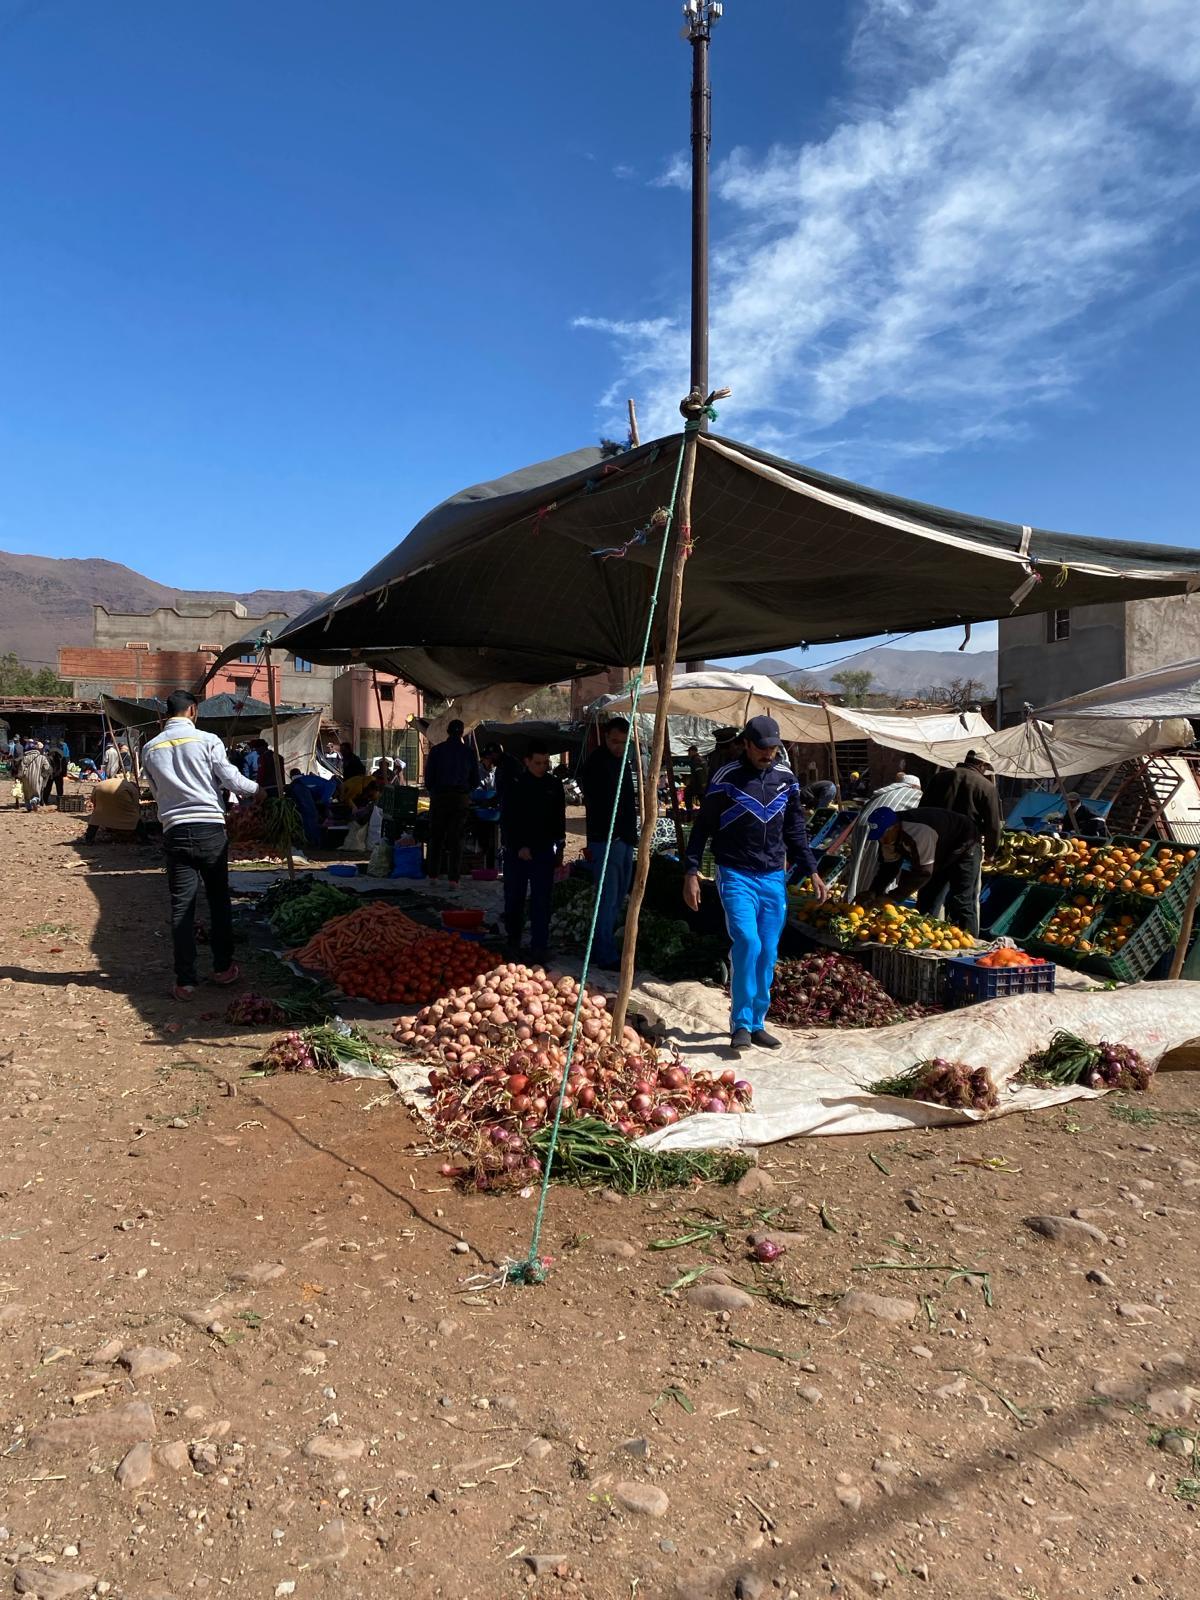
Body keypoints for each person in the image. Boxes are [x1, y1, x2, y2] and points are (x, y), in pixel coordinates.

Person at [684, 715, 827, 1053]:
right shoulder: (726, 779)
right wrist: (690, 871)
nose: (768, 754)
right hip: (735, 873)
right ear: (746, 744)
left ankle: (758, 1022)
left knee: (768, 950)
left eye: (774, 748)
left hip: (773, 876)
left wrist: (813, 870)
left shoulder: (786, 780)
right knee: (747, 941)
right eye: (762, 748)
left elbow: (795, 832)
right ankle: (740, 1023)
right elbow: (702, 827)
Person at [141, 689, 261, 1001]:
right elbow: (232, 780)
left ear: (168, 713)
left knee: (182, 906)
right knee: (219, 900)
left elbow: (156, 791)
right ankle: (223, 968)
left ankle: (185, 980)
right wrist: (257, 790)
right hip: (210, 829)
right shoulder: (208, 741)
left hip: (175, 831)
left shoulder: (150, 748)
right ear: (193, 711)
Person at [577, 717, 639, 968]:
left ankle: (609, 947)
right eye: (614, 741)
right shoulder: (596, 763)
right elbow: (598, 801)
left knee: (620, 894)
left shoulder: (624, 761)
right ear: (605, 737)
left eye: (623, 743)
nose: (618, 747)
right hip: (607, 839)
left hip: (624, 837)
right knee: (608, 898)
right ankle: (604, 953)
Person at [866, 805, 982, 935]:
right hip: (938, 851)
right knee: (926, 900)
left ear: (896, 827)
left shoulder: (918, 831)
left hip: (964, 844)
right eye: (879, 836)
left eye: (884, 835)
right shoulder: (888, 837)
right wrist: (874, 892)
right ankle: (926, 938)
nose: (882, 840)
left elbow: (923, 872)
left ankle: (970, 943)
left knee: (960, 900)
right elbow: (889, 867)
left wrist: (892, 897)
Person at [501, 743, 566, 962]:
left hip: (544, 850)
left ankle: (539, 945)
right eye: (538, 763)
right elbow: (508, 819)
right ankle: (513, 941)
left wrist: (561, 845)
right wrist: (519, 846)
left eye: (546, 762)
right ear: (527, 761)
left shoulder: (554, 785)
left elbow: (559, 818)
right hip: (516, 852)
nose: (542, 767)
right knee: (514, 898)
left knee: (542, 900)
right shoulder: (515, 784)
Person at [843, 773, 923, 902]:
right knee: (877, 866)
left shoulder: (886, 792)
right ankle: (871, 902)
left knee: (859, 865)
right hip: (882, 829)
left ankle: (852, 899)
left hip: (862, 826)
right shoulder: (914, 794)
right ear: (914, 786)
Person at [424, 719, 480, 885]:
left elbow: (428, 780)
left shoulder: (436, 751)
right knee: (457, 839)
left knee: (436, 837)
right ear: (462, 733)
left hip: (439, 798)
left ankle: (433, 875)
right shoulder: (468, 753)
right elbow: (475, 780)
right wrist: (466, 791)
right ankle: (453, 879)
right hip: (460, 799)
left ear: (447, 731)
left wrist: (435, 792)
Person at [84, 776, 143, 842]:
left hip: (100, 788)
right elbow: (135, 804)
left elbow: (93, 799)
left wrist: (99, 807)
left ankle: (89, 839)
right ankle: (144, 838)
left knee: (97, 817)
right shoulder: (132, 787)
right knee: (135, 817)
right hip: (121, 793)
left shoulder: (104, 783)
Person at [18, 742, 50, 812]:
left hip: (26, 778)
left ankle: (29, 807)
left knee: (27, 793)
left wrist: (19, 778)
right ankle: (34, 800)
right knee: (36, 792)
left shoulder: (25, 758)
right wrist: (43, 774)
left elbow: (21, 769)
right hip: (37, 777)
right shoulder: (42, 757)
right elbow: (47, 767)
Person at [41, 744, 66, 809]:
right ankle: (59, 801)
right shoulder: (62, 757)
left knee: (48, 788)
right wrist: (64, 774)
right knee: (59, 788)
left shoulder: (48, 756)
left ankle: (45, 800)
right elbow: (64, 766)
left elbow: (46, 766)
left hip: (51, 774)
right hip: (58, 774)